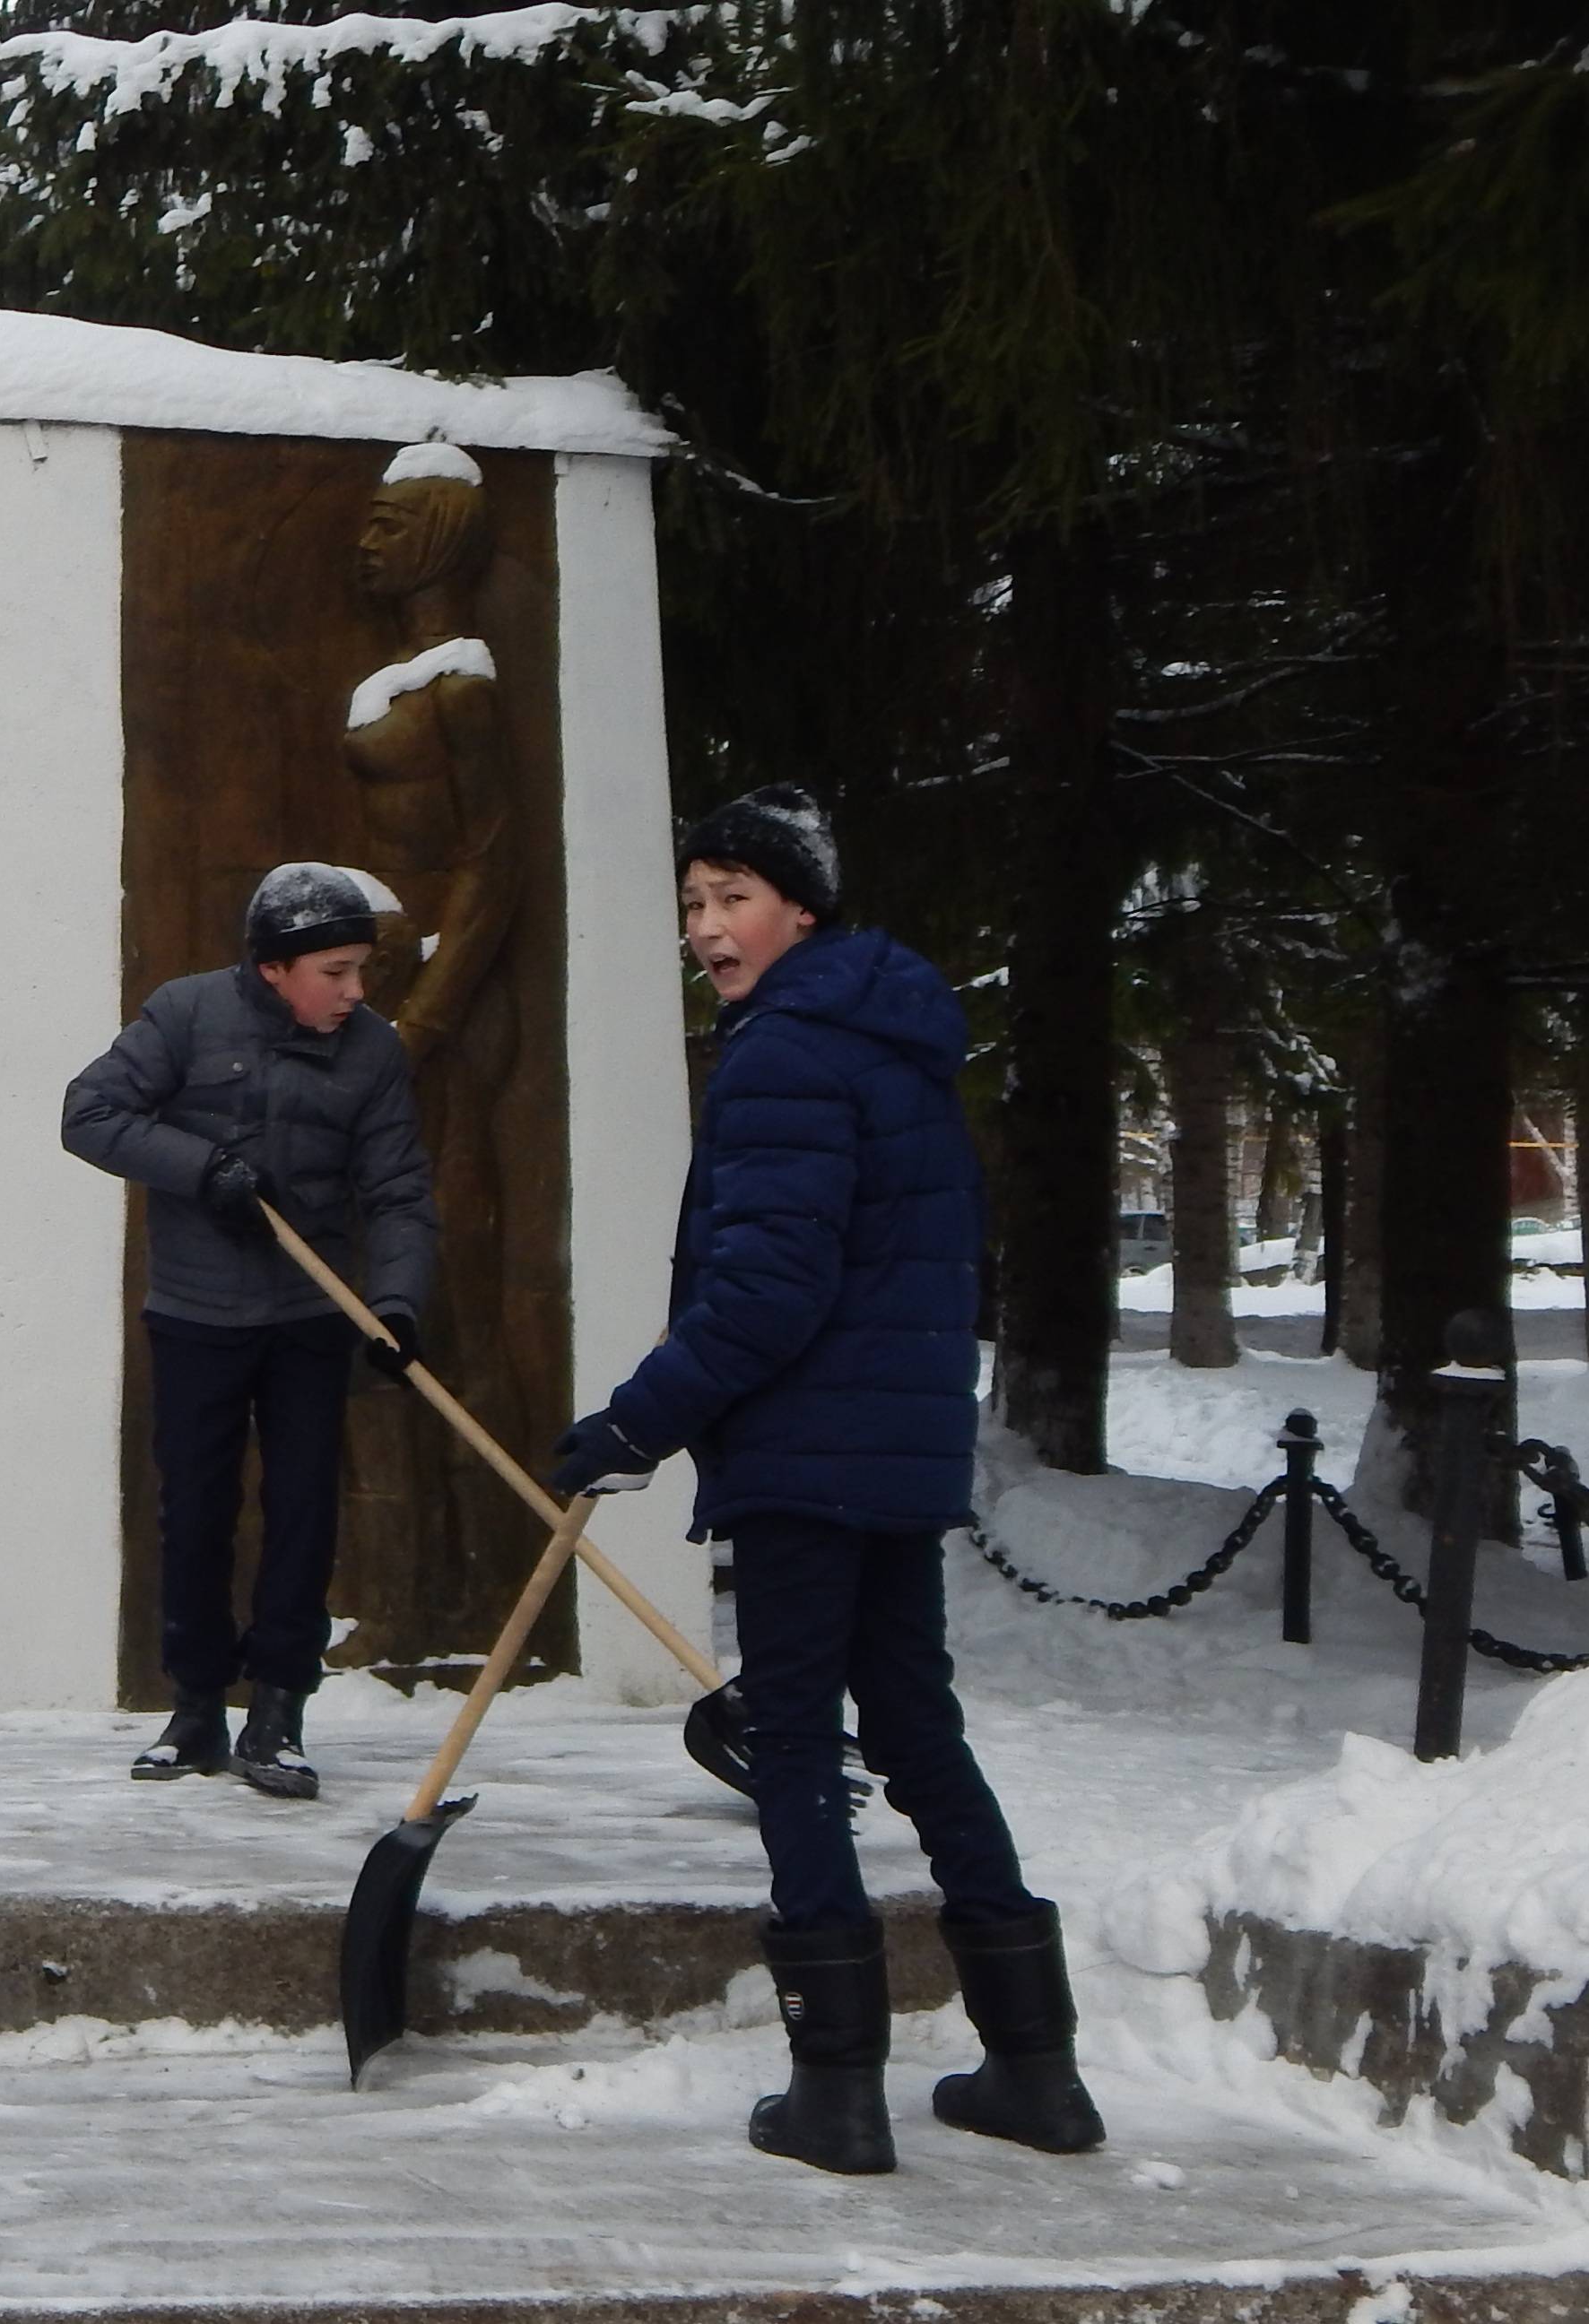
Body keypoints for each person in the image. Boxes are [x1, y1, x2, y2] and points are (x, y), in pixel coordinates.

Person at [546, 784, 1101, 2175]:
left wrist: (633, 1424)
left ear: (802, 908)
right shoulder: (896, 1044)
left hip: (807, 1450)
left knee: (793, 1740)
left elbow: (771, 1291)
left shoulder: (789, 1054)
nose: (708, 928)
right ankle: (1037, 2070)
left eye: (734, 897)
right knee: (916, 1730)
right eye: (692, 904)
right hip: (897, 1445)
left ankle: (836, 2089)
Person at [63, 864, 439, 1799]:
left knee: (303, 1513)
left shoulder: (373, 1053)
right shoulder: (186, 1016)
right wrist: (207, 1169)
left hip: (311, 1318)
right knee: (193, 1511)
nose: (355, 993)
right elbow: (90, 1115)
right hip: (196, 1314)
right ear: (275, 967)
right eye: (337, 972)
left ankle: (279, 1711)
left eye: (361, 972)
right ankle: (196, 1707)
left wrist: (394, 1306)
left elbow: (397, 1192)